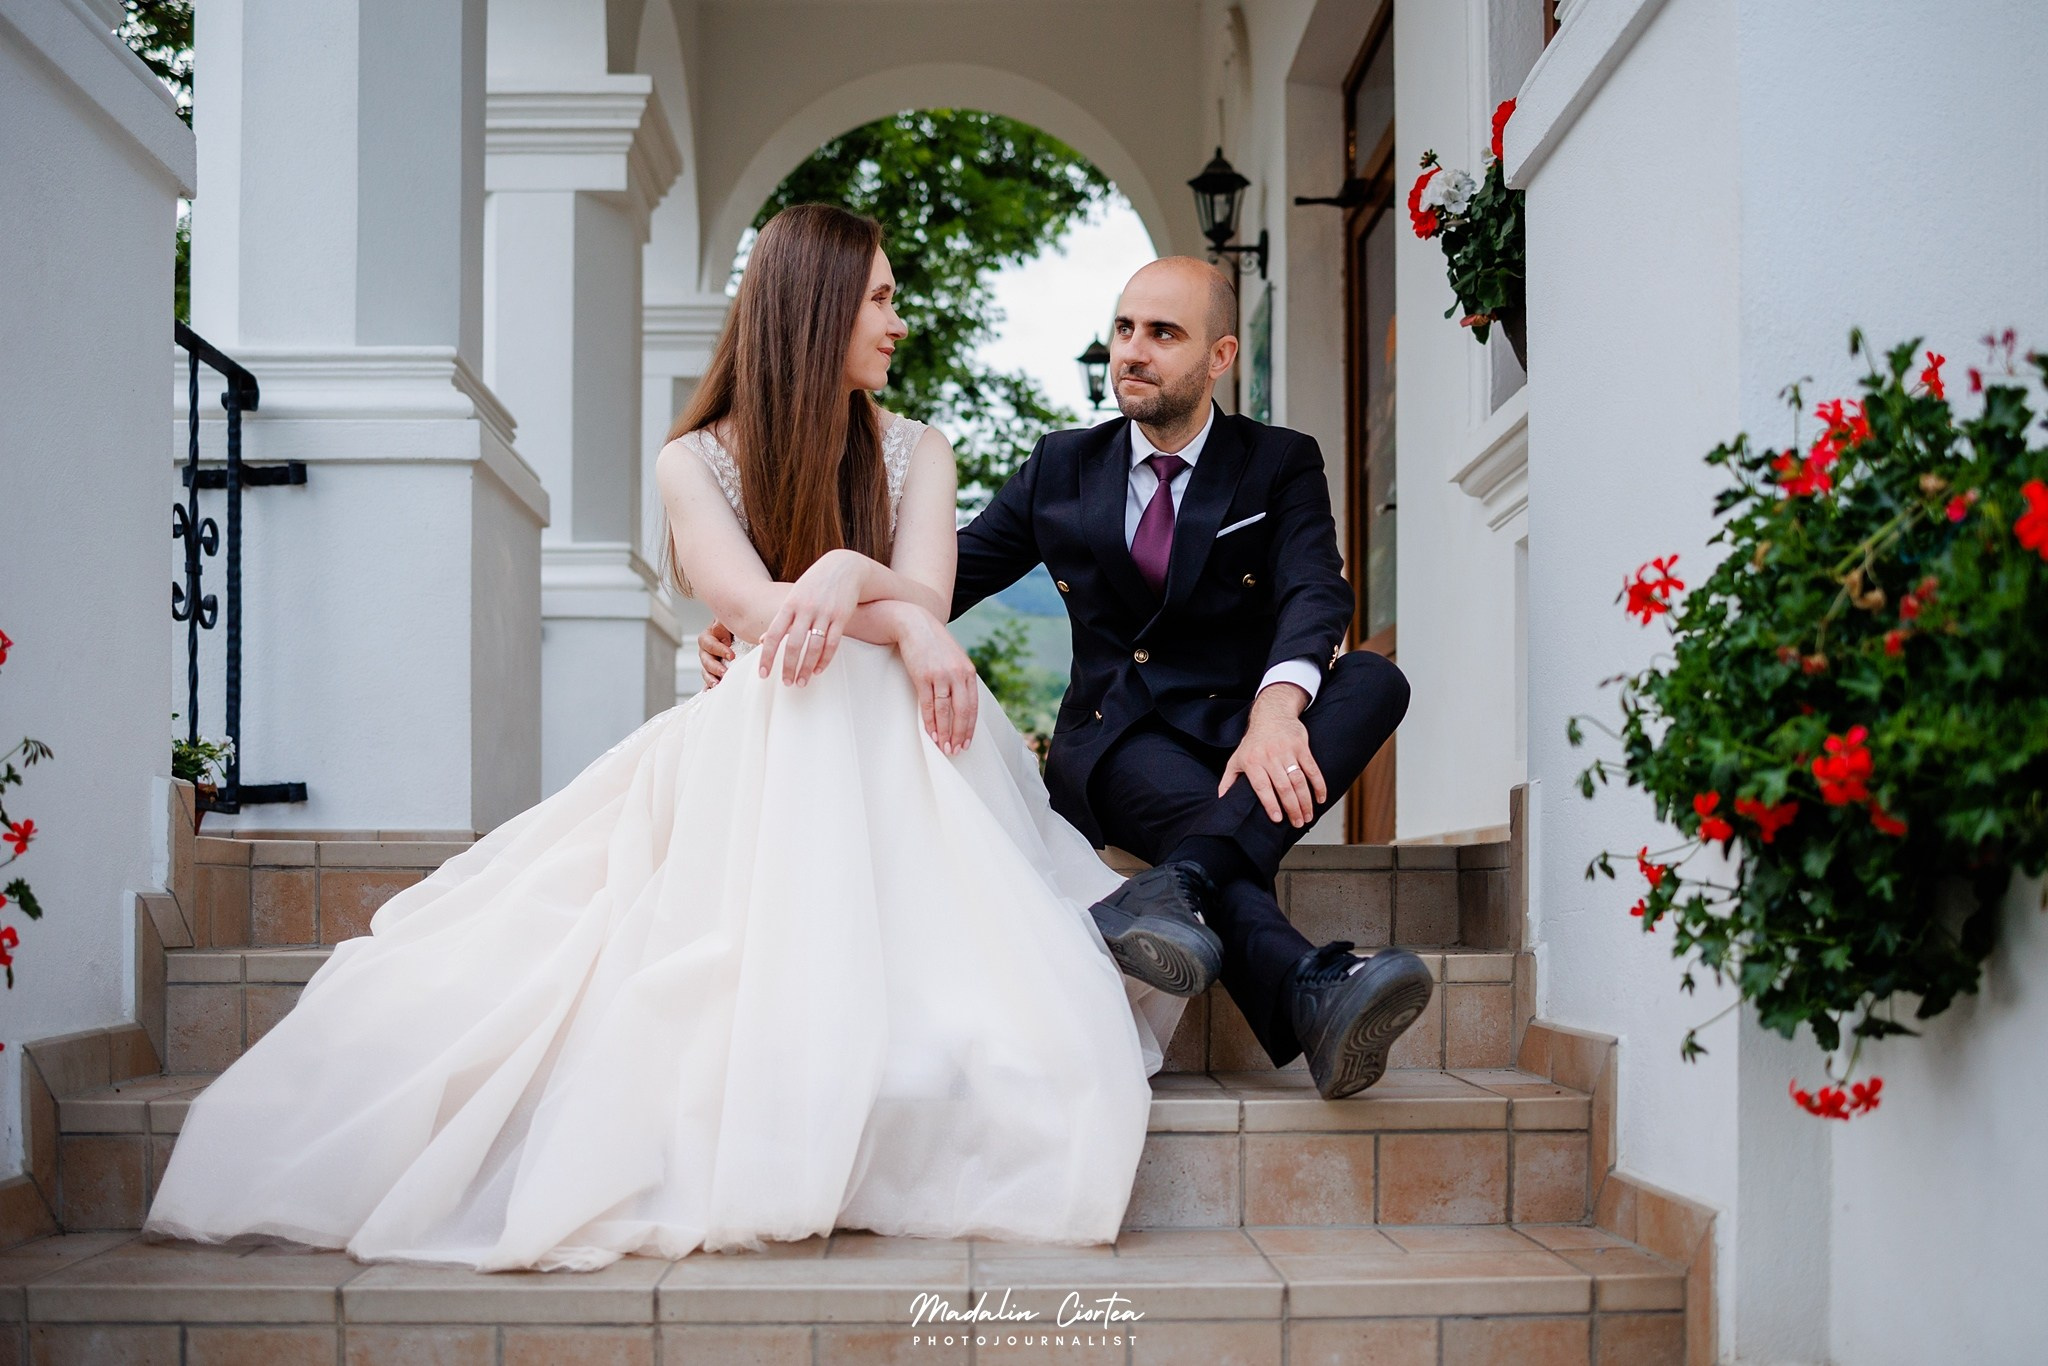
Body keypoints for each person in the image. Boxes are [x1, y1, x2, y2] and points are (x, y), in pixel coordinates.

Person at [142, 204, 1185, 1273]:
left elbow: (921, 592)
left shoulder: (918, 450)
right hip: (771, 732)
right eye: (877, 297)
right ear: (815, 309)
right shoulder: (693, 461)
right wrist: (873, 613)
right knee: (807, 680)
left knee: (849, 675)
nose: (897, 320)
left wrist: (846, 576)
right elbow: (753, 603)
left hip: (902, 739)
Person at [702, 257, 1430, 1101]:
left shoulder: (1279, 463)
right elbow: (944, 578)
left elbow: (1315, 587)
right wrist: (776, 611)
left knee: (1376, 683)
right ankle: (1308, 982)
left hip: (1242, 734)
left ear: (1221, 356)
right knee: (1197, 808)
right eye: (1124, 329)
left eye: (1163, 333)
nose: (1132, 350)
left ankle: (1178, 887)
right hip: (1121, 747)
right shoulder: (1061, 467)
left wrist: (1277, 711)